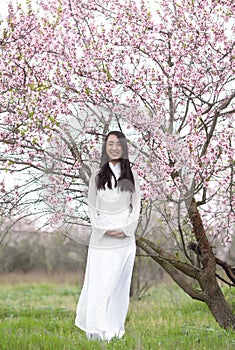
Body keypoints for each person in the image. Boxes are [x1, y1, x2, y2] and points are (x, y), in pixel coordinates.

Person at [75, 130, 141, 341]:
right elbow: (92, 207)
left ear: (124, 148)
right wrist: (104, 229)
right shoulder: (97, 175)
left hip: (125, 238)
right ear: (105, 147)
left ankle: (114, 330)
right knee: (101, 282)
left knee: (119, 284)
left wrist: (126, 229)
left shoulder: (132, 174)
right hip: (102, 238)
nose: (114, 148)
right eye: (110, 144)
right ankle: (96, 329)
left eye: (118, 144)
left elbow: (137, 205)